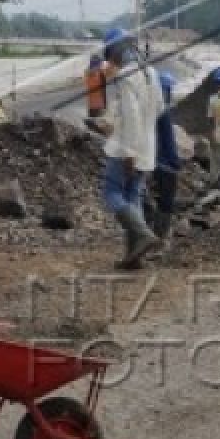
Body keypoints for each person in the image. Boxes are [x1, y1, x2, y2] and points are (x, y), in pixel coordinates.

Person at [95, 28, 164, 269]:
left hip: (128, 146)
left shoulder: (126, 75)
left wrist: (129, 152)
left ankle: (143, 233)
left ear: (116, 50)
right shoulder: (151, 73)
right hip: (147, 145)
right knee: (133, 195)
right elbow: (159, 107)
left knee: (112, 193)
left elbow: (132, 116)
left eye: (110, 54)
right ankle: (133, 257)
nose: (110, 60)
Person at [150, 70, 180, 247]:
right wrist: (175, 161)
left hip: (152, 162)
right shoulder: (164, 113)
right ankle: (160, 238)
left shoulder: (149, 110)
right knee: (166, 202)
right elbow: (168, 141)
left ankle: (153, 235)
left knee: (157, 199)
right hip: (165, 164)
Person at [83, 53, 109, 118]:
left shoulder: (87, 73)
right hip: (98, 106)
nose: (101, 65)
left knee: (93, 120)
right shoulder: (100, 74)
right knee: (97, 121)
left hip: (93, 106)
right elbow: (103, 91)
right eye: (100, 64)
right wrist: (105, 105)